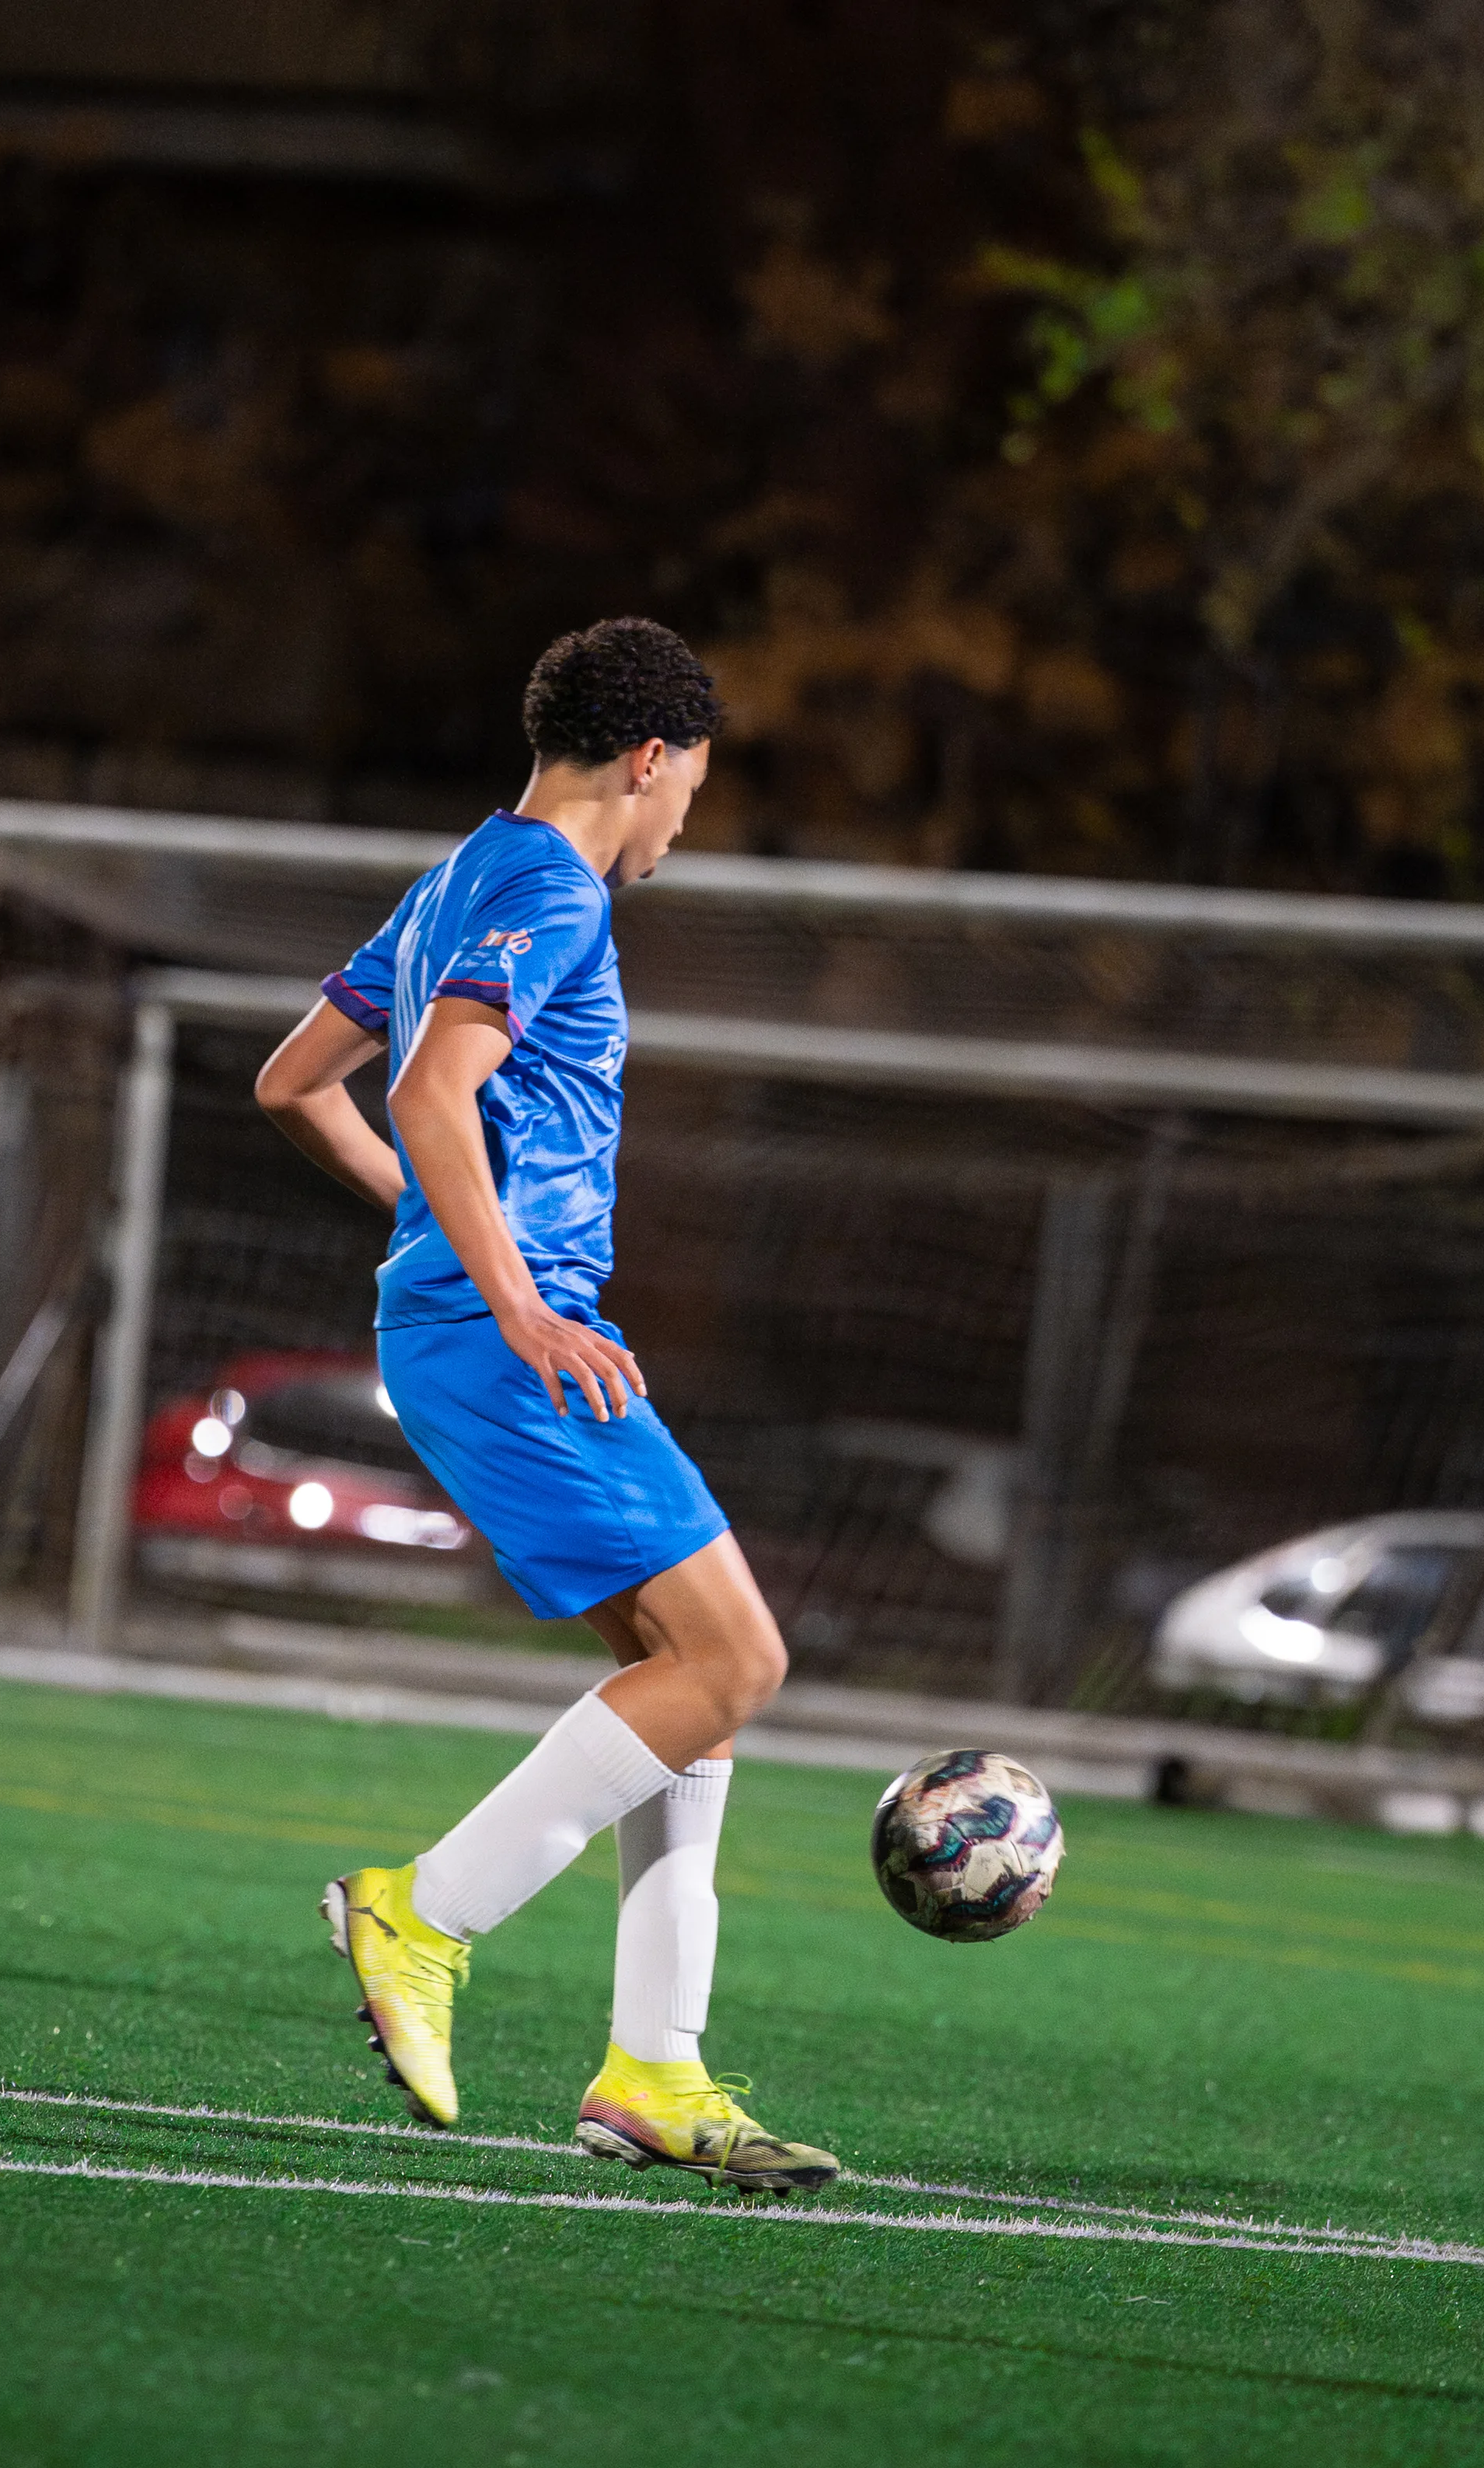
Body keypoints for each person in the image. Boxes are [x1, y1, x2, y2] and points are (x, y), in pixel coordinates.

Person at [254, 616, 837, 2195]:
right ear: (648, 759)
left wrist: (443, 1241)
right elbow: (428, 1089)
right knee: (740, 1657)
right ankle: (421, 1911)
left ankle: (654, 2068)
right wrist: (511, 1295)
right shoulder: (551, 885)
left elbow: (293, 1079)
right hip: (510, 1336)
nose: (676, 833)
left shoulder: (464, 873)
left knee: (687, 1686)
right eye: (688, 796)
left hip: (460, 1324)